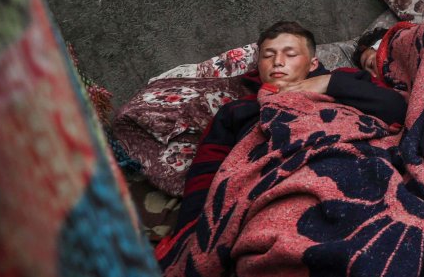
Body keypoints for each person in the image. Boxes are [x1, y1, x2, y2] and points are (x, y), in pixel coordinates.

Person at [156, 20, 408, 262]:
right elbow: (206, 170)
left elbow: (396, 109)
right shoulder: (238, 110)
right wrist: (187, 233)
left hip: (354, 170)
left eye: (290, 54)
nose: (278, 62)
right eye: (268, 55)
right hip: (274, 194)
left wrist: (330, 83)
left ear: (312, 63)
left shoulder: (346, 80)